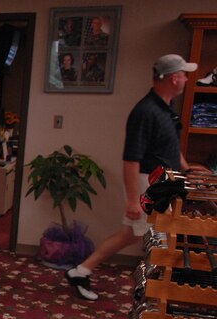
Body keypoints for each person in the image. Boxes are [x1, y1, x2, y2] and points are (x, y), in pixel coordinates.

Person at [64, 54, 200, 300]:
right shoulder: (145, 111)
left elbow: (171, 146)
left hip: (164, 181)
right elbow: (131, 159)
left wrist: (187, 170)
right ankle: (157, 293)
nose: (187, 79)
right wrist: (132, 200)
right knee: (155, 238)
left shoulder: (166, 108)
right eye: (184, 75)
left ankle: (81, 270)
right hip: (148, 182)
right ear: (173, 78)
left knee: (133, 235)